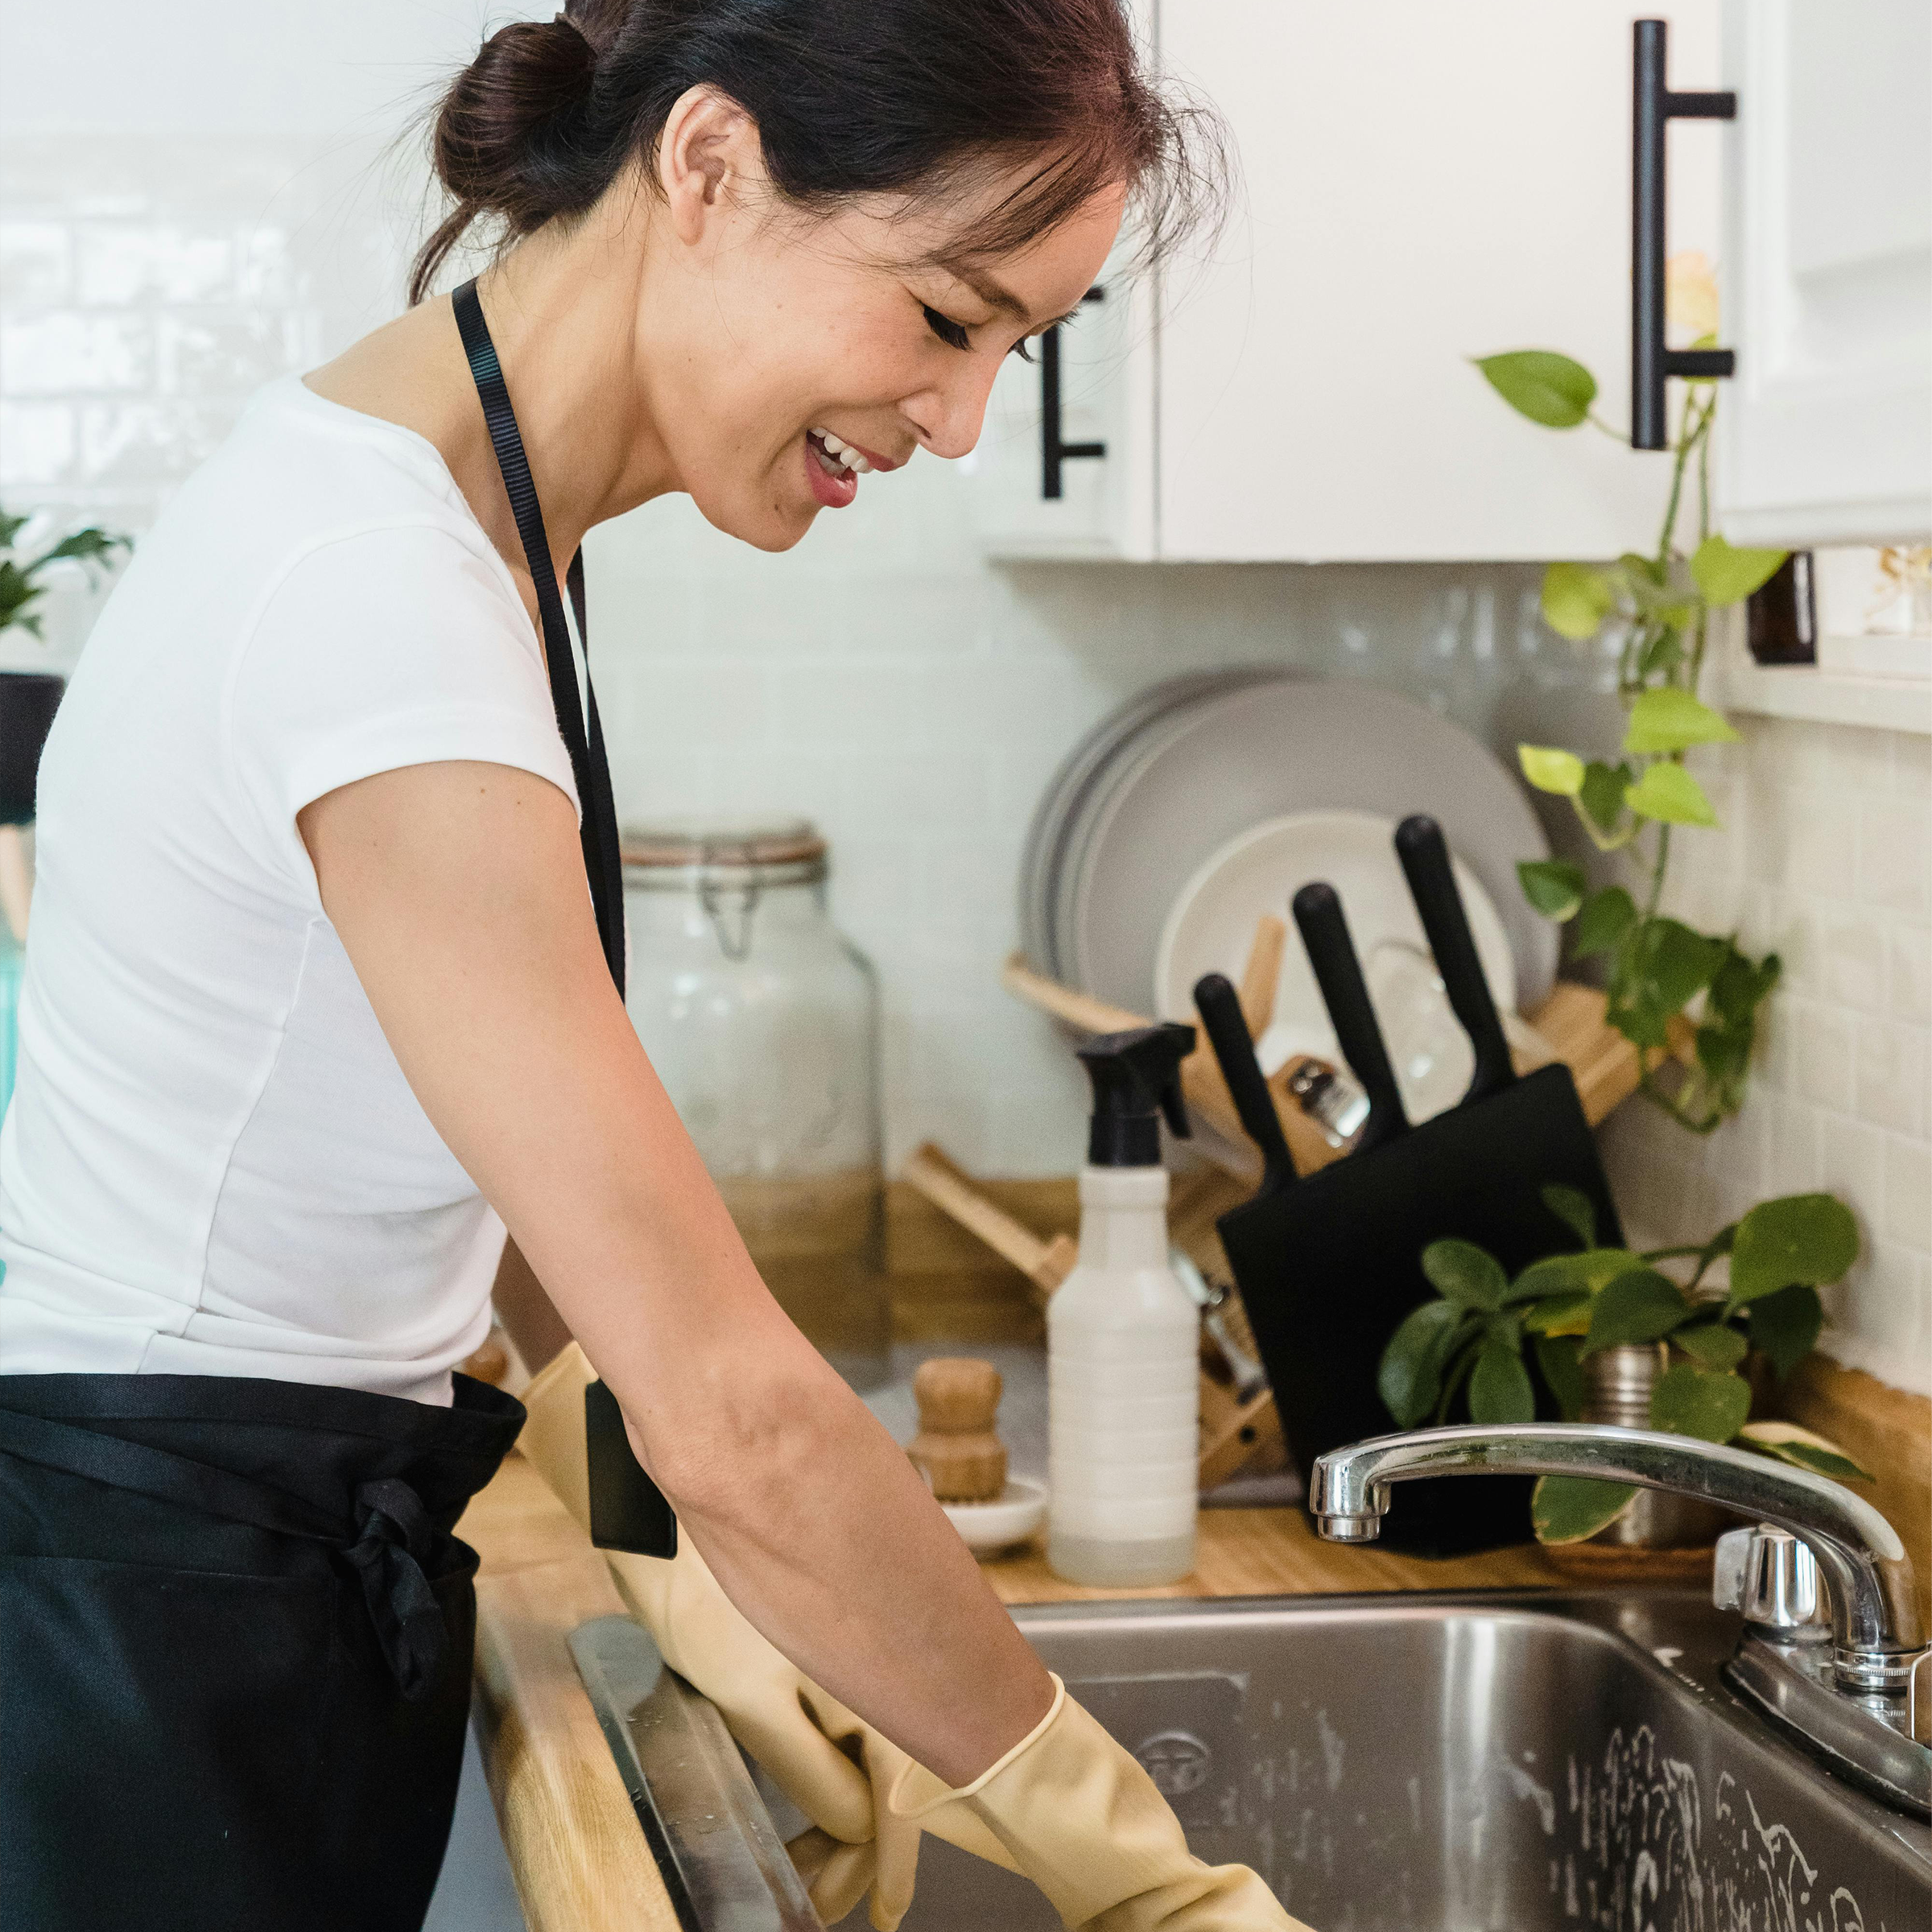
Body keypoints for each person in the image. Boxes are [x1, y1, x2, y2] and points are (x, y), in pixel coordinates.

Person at [0, 2, 1304, 1927]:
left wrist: (690, 1573)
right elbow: (737, 1406)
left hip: (211, 1602)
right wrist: (1140, 1877)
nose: (959, 420)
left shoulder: (450, 523)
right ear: (707, 165)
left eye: (1018, 351)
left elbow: (499, 1172)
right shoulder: (384, 598)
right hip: (146, 1654)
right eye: (948, 321)